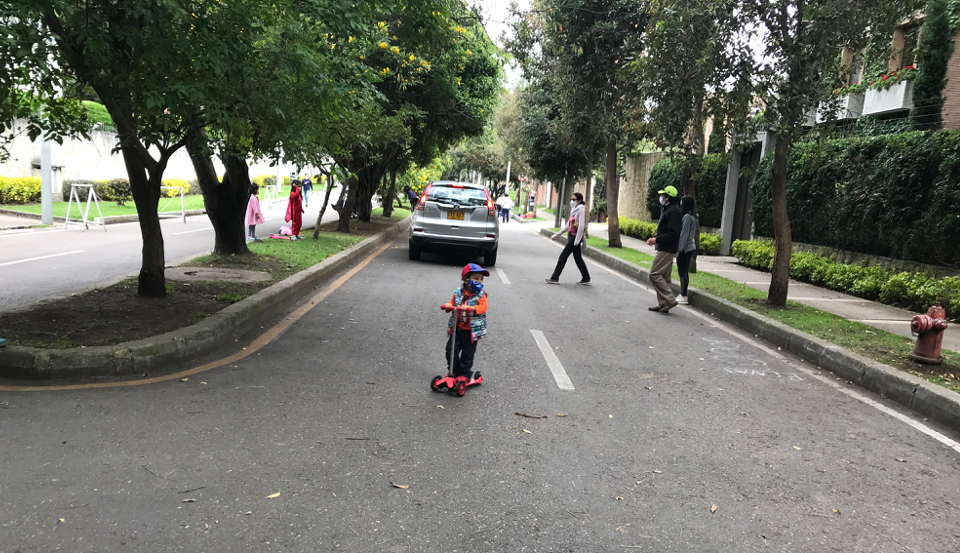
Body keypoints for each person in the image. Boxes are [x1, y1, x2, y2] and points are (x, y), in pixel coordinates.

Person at [440, 263, 490, 382]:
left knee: (467, 353)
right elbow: (452, 303)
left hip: (471, 331)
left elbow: (483, 307)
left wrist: (472, 308)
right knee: (450, 350)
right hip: (457, 329)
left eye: (481, 279)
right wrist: (448, 306)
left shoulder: (480, 295)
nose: (479, 281)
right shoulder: (458, 292)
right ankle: (453, 370)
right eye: (476, 278)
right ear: (465, 279)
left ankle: (465, 373)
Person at [646, 185, 682, 313]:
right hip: (664, 246)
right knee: (665, 277)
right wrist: (656, 239)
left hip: (667, 248)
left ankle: (669, 300)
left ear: (668, 197)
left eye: (663, 195)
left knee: (654, 274)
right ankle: (664, 304)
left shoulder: (673, 212)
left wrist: (657, 239)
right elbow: (665, 230)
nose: (661, 197)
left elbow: (673, 233)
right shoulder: (668, 209)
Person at [545, 192, 591, 285]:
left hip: (575, 238)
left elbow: (581, 227)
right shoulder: (574, 210)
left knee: (563, 256)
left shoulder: (580, 210)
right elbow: (567, 226)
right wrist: (556, 235)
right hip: (572, 237)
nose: (571, 201)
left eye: (573, 200)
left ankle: (555, 278)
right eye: (571, 199)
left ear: (579, 201)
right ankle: (586, 277)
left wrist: (577, 241)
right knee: (578, 258)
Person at [677, 195, 698, 305]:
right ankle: (683, 294)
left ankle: (684, 295)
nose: (680, 203)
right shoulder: (694, 217)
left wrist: (679, 250)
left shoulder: (686, 218)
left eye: (682, 202)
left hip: (685, 248)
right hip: (691, 246)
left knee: (682, 271)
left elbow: (683, 235)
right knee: (684, 271)